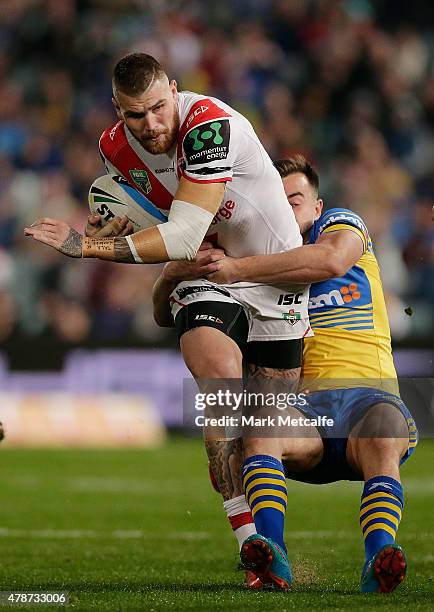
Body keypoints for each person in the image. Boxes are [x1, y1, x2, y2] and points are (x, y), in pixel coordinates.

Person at [24, 53, 311, 576]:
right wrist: (111, 215)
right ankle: (254, 546)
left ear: (175, 91)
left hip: (272, 275)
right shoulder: (113, 146)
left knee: (265, 428)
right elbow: (164, 221)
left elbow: (179, 232)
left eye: (159, 107)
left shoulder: (206, 125)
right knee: (221, 385)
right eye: (136, 115)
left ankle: (273, 543)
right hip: (204, 271)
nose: (152, 125)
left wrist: (86, 245)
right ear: (118, 110)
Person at [153, 155, 418, 593]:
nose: (286, 209)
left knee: (385, 432)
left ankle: (380, 557)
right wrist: (170, 275)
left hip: (369, 400)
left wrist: (236, 270)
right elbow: (167, 315)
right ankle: (270, 555)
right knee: (261, 423)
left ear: (317, 207)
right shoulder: (250, 253)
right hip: (303, 413)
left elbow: (332, 261)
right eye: (277, 200)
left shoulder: (339, 226)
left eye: (296, 200)